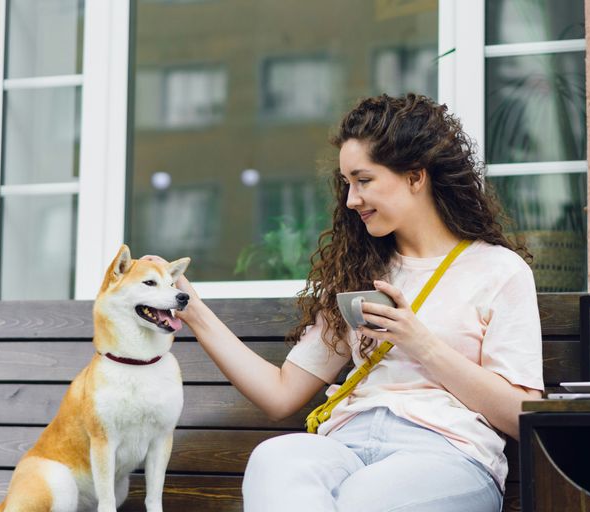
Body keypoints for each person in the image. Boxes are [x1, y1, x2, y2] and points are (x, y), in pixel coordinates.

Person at [146, 93, 543, 512]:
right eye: (347, 184)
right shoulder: (361, 269)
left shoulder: (498, 270)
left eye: (364, 180)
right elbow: (281, 393)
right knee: (275, 459)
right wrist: (192, 308)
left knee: (363, 499)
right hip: (347, 445)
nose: (352, 200)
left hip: (447, 454)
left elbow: (522, 415)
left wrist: (419, 342)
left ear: (415, 176)